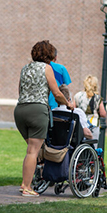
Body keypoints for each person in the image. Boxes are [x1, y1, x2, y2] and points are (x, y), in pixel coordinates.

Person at [14, 40, 73, 197]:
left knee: (32, 150)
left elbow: (20, 90)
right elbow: (57, 92)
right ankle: (26, 187)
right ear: (50, 55)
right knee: (33, 151)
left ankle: (25, 183)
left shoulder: (25, 68)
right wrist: (68, 104)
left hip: (20, 110)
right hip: (37, 110)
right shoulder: (47, 68)